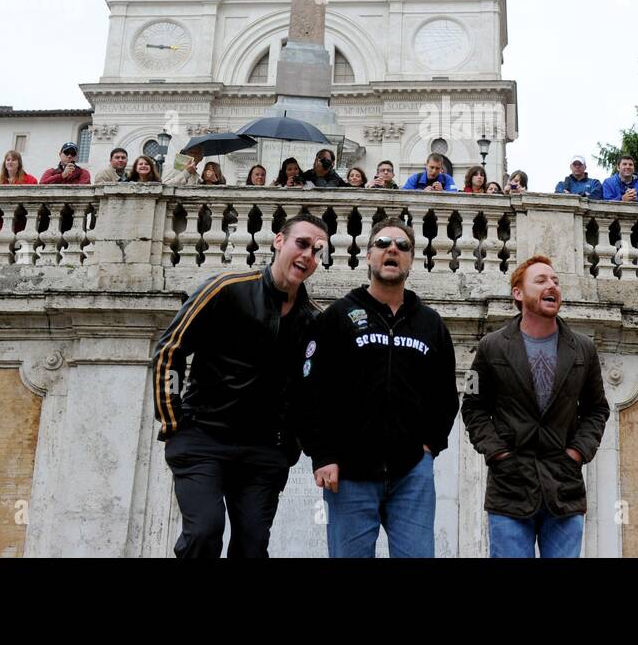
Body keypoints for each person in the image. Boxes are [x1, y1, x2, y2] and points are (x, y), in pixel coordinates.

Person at [151, 212, 329, 558]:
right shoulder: (225, 289)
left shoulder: (313, 319)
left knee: (252, 546)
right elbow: (170, 351)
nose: (308, 255)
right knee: (204, 531)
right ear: (280, 241)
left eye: (317, 250)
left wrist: (291, 446)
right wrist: (173, 420)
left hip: (264, 452)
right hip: (203, 438)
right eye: (302, 244)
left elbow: (312, 392)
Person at [298, 218, 458, 558]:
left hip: (412, 473)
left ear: (411, 260)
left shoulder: (430, 323)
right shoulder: (337, 317)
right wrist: (323, 455)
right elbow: (312, 393)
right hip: (349, 473)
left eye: (402, 246)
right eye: (383, 243)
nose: (392, 250)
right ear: (369, 255)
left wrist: (431, 445)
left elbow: (445, 393)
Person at [461, 255, 610, 558]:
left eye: (555, 281)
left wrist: (577, 453)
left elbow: (597, 409)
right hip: (509, 489)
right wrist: (498, 453)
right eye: (541, 280)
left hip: (564, 488)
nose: (552, 285)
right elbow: (473, 406)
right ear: (518, 293)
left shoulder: (583, 348)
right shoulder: (491, 346)